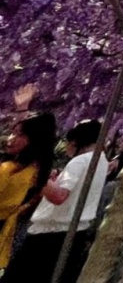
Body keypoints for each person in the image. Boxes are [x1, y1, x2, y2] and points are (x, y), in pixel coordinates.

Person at [3, 119, 107, 283]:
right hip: (73, 232)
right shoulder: (102, 161)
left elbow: (59, 196)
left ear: (76, 141)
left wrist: (38, 176)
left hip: (51, 235)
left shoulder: (80, 161)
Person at [0, 112, 56, 271]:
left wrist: (22, 110)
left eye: (20, 135)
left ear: (35, 140)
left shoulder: (16, 171)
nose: (11, 139)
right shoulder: (35, 169)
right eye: (12, 133)